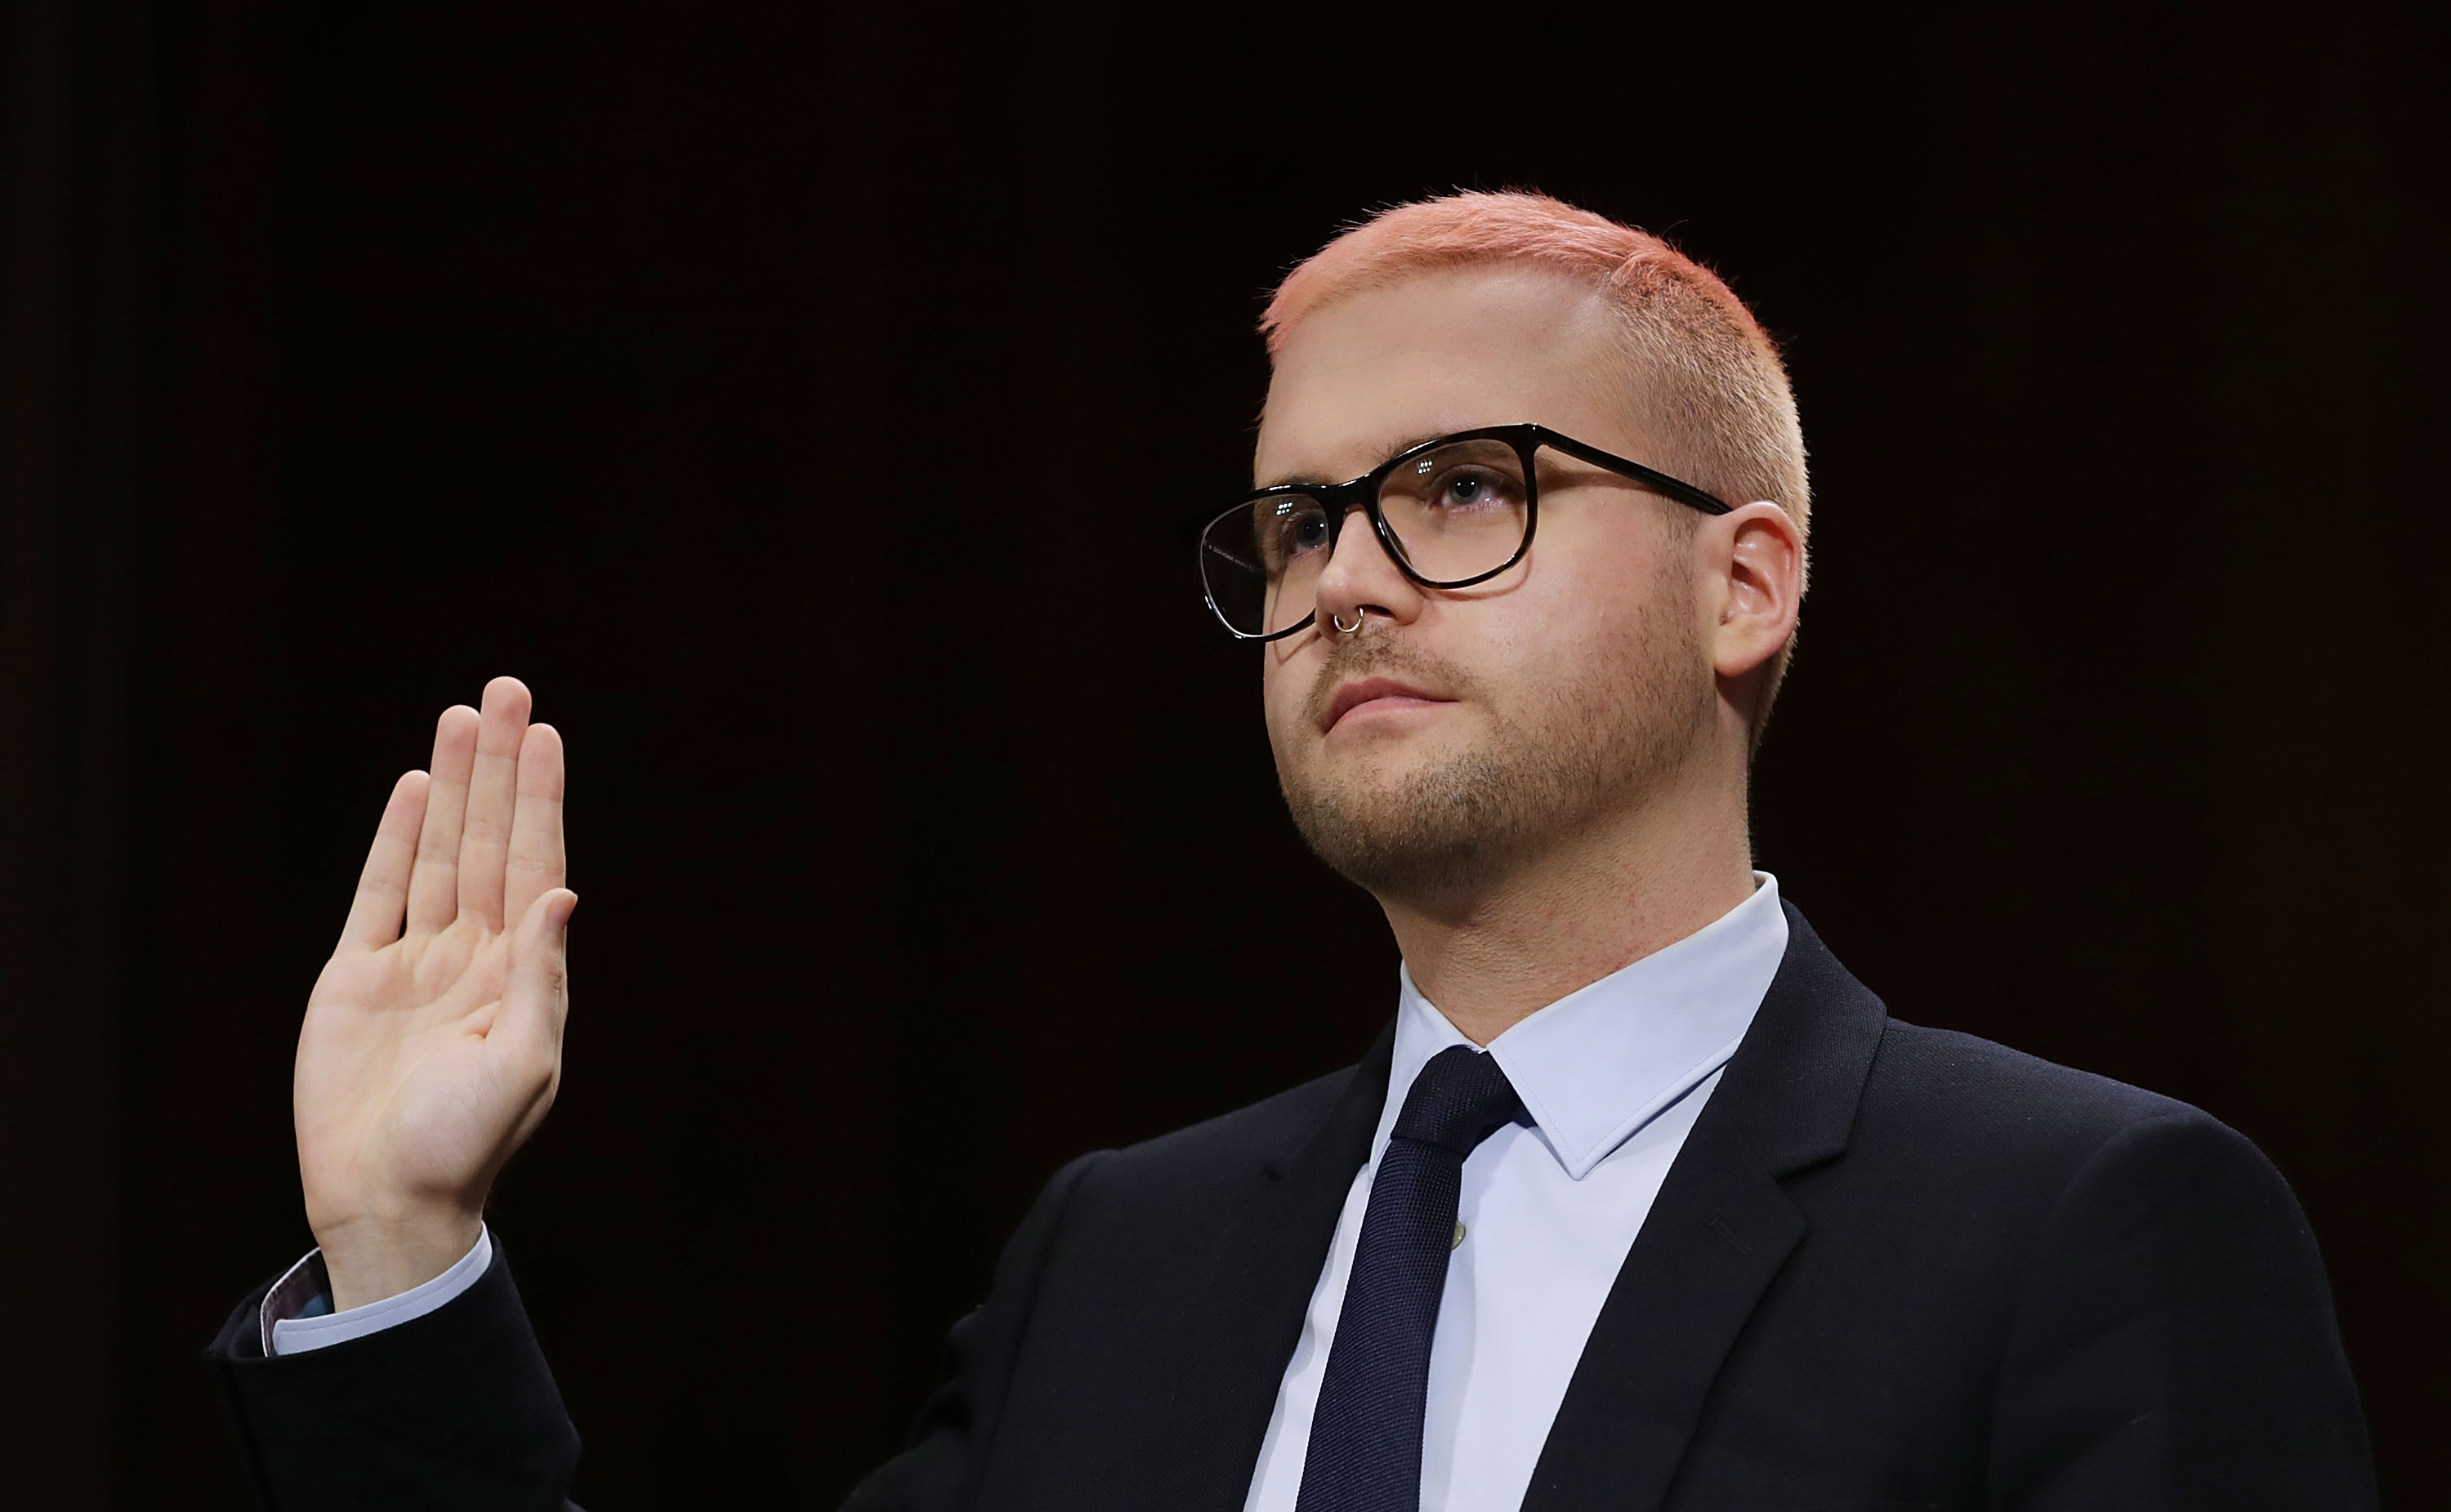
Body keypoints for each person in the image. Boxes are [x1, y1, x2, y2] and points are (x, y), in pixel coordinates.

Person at [205, 192, 2375, 1510]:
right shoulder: (1121, 1264)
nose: (1344, 579)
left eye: (1461, 488)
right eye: (1301, 519)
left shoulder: (2081, 1229)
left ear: (1748, 586)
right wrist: (404, 1252)